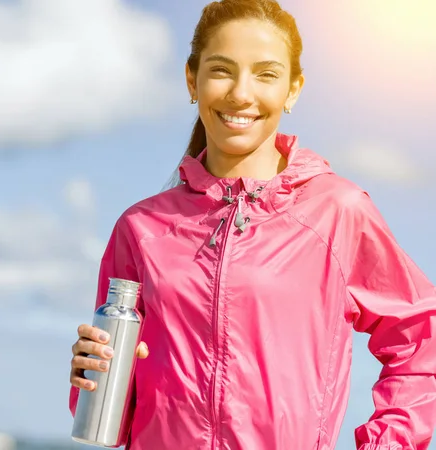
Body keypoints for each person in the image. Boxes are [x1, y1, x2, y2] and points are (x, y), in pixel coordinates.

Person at [69, 0, 436, 448]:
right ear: (192, 80)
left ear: (293, 89)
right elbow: (115, 421)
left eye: (265, 74)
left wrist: (388, 443)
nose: (241, 93)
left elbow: (421, 338)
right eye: (222, 70)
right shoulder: (141, 228)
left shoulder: (337, 211)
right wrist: (91, 373)